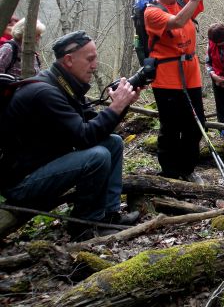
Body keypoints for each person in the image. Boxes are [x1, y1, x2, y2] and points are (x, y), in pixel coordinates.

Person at [0, 31, 141, 240]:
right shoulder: (46, 92)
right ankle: (85, 224)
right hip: (22, 184)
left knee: (113, 143)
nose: (94, 65)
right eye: (90, 59)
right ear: (68, 60)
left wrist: (122, 105)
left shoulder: (63, 85)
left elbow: (96, 125)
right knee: (98, 155)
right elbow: (85, 137)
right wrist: (116, 106)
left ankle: (109, 216)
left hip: (45, 165)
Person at [144, 0, 217, 184]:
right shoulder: (151, 12)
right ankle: (169, 173)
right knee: (171, 128)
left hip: (191, 75)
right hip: (166, 78)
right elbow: (175, 22)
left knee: (196, 126)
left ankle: (188, 169)